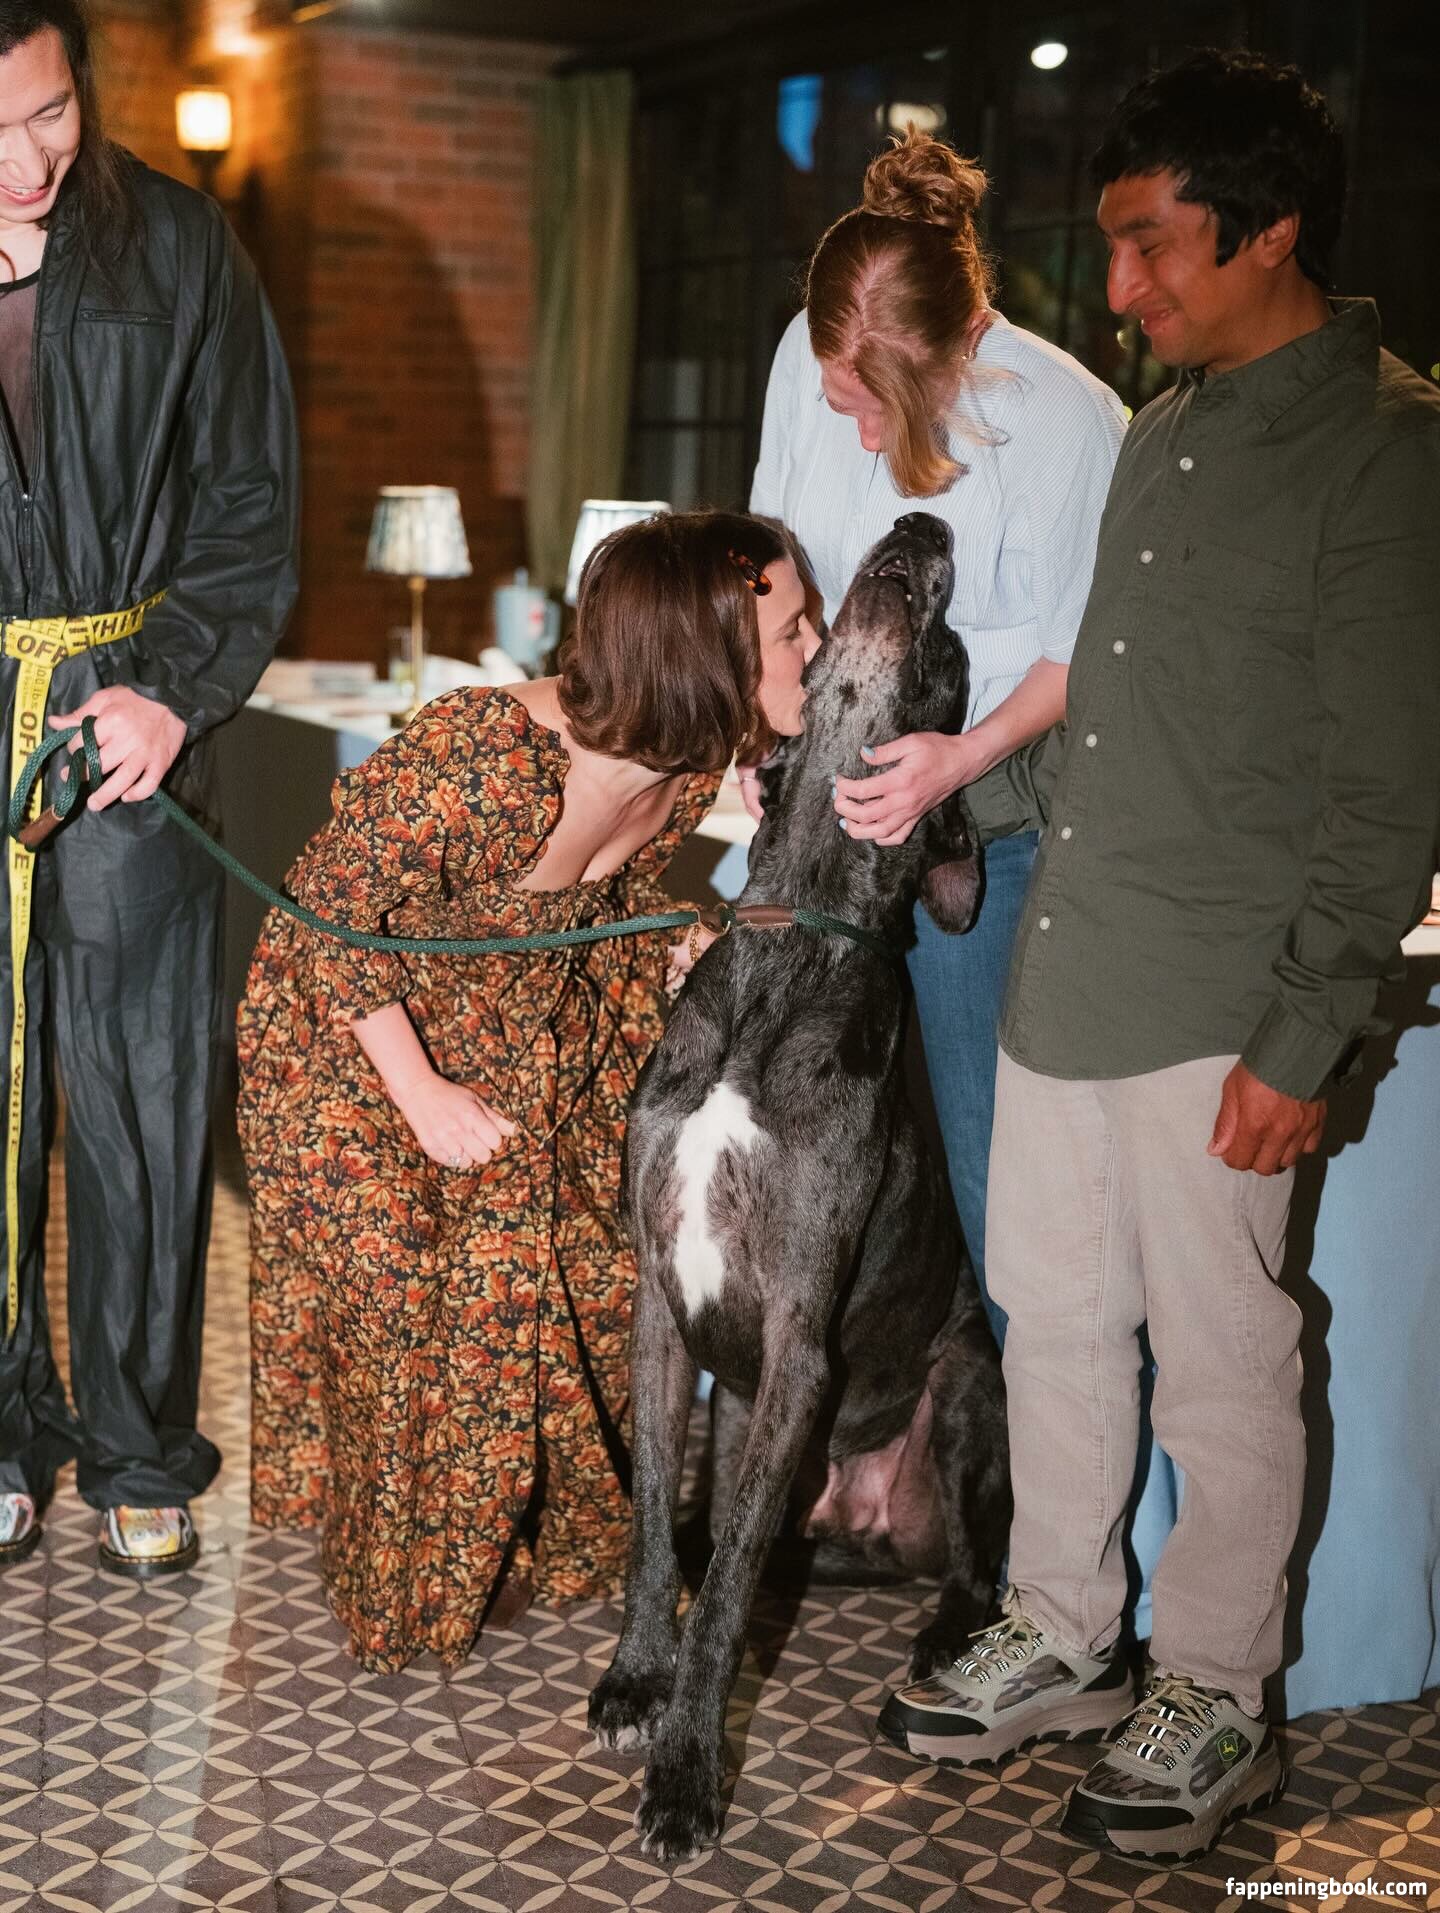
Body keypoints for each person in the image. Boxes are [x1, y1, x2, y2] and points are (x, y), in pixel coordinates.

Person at [879, 50, 1440, 1862]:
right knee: (1053, 1325)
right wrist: (938, 789)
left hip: (1224, 1007)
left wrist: (1308, 1031)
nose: (1119, 290)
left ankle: (1215, 1689)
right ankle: (1062, 1626)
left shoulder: (1387, 446)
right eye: (1111, 249)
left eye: (1152, 247)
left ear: (1269, 230)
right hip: (1073, 971)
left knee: (1220, 1365)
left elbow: (1389, 790)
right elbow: (1111, 725)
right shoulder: (1168, 429)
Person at [237, 511, 820, 1674]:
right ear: (706, 651)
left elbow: (612, 898)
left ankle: (528, 1526)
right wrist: (420, 1092)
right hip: (354, 1032)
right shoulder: (482, 758)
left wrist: (679, 940)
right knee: (419, 1290)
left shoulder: (691, 759)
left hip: (521, 1026)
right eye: (792, 630)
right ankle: (417, 1573)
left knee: (597, 1262)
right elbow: (323, 911)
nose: (816, 647)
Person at [0, 0, 298, 1578]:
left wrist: (173, 690)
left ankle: (134, 1443)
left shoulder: (181, 249)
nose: (27, 161)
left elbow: (250, 501)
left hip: (123, 717)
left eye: (49, 113)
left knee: (138, 1094)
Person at [751, 130, 1124, 1337]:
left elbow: (1083, 653)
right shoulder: (805, 356)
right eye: (841, 403)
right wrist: (766, 738)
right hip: (819, 837)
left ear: (959, 347)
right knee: (771, 1153)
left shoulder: (1064, 417)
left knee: (993, 1182)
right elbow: (771, 570)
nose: (861, 435)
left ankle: (1046, 1450)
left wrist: (957, 756)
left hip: (993, 834)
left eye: (882, 409)